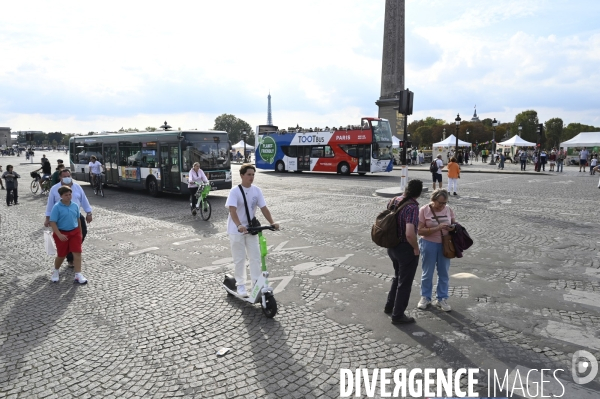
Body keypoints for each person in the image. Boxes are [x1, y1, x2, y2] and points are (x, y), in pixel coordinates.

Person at [225, 164, 279, 297]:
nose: (251, 177)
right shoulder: (235, 191)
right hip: (236, 230)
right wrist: (238, 225)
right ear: (242, 175)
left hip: (251, 229)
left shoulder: (257, 191)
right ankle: (241, 286)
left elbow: (264, 208)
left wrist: (272, 222)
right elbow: (232, 210)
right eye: (249, 174)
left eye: (253, 174)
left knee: (255, 257)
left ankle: (256, 284)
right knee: (240, 259)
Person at [384, 179, 423, 324]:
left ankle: (389, 305)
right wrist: (416, 248)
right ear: (418, 193)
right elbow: (409, 233)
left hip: (391, 244)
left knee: (397, 277)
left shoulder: (394, 200)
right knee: (405, 282)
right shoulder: (412, 207)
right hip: (405, 248)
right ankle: (398, 315)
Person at [417, 189, 456, 312]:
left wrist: (453, 227)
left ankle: (442, 298)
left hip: (445, 245)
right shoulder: (424, 210)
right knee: (427, 272)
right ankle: (425, 297)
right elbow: (419, 230)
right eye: (440, 203)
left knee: (444, 272)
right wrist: (437, 228)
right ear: (433, 200)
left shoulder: (448, 209)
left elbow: (455, 223)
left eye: (445, 203)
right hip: (429, 244)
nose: (442, 205)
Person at [44, 169, 93, 268]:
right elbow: (50, 204)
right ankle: (70, 258)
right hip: (61, 218)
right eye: (64, 176)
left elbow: (84, 199)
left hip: (76, 215)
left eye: (68, 176)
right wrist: (47, 218)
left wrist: (89, 212)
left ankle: (73, 251)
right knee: (64, 238)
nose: (67, 178)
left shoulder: (77, 187)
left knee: (82, 233)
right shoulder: (54, 189)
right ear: (60, 177)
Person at [49, 186, 87, 284]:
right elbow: (52, 222)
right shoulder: (57, 207)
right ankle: (56, 271)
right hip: (62, 233)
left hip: (75, 232)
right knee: (61, 255)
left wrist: (80, 232)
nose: (68, 197)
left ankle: (78, 274)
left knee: (77, 253)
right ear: (61, 196)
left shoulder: (75, 205)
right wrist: (59, 234)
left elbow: (78, 219)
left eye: (70, 194)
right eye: (66, 195)